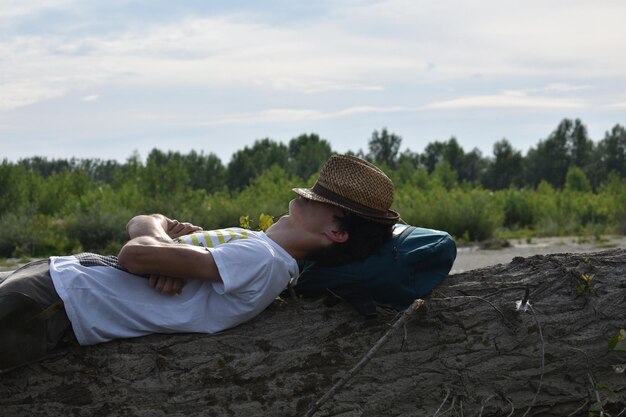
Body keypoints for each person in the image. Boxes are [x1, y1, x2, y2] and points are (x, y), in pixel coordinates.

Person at [0, 154, 399, 369]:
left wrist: (155, 237)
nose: (308, 196)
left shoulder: (260, 260)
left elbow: (135, 252)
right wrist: (158, 238)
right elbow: (140, 230)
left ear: (337, 231)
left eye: (321, 199)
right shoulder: (253, 244)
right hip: (52, 284)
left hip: (55, 303)